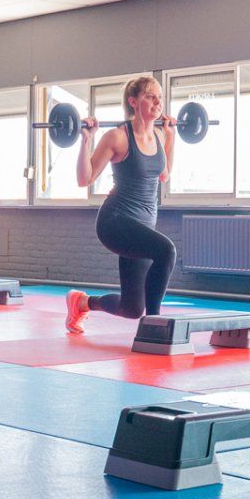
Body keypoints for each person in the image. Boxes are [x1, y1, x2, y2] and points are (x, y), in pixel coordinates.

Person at [65, 75, 175, 333]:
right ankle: (155, 326)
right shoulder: (117, 137)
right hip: (116, 222)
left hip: (142, 226)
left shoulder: (159, 134)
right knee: (166, 251)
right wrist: (86, 139)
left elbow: (164, 174)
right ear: (133, 102)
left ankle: (81, 303)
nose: (158, 101)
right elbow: (85, 178)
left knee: (131, 308)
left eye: (159, 96)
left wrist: (171, 138)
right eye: (150, 96)